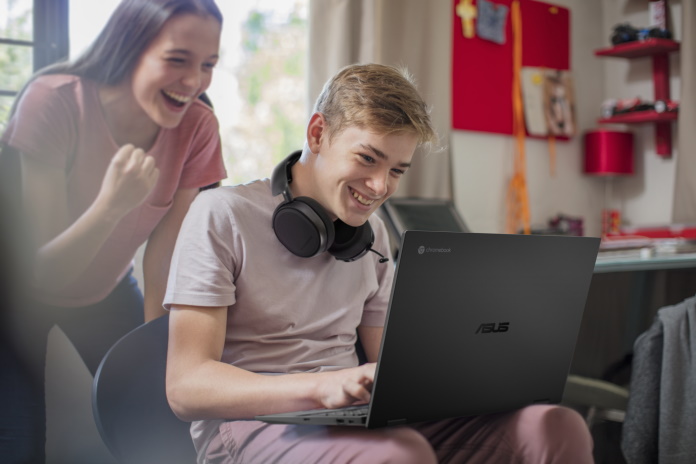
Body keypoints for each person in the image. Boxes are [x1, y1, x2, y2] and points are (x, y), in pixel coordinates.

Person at [164, 63, 594, 463]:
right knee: (398, 453)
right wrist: (321, 386)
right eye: (367, 159)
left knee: (553, 426)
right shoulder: (222, 214)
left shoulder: (373, 236)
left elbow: (390, 367)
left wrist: (483, 367)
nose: (378, 187)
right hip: (254, 427)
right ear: (317, 134)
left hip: (350, 415)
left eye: (396, 171)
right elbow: (186, 387)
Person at [0, 0, 226, 462]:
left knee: (162, 425)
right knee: (18, 444)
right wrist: (111, 206)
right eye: (177, 59)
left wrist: (154, 356)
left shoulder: (198, 126)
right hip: (12, 292)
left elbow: (164, 253)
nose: (194, 82)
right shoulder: (55, 99)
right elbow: (41, 272)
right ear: (130, 48)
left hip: (103, 289)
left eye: (208, 65)